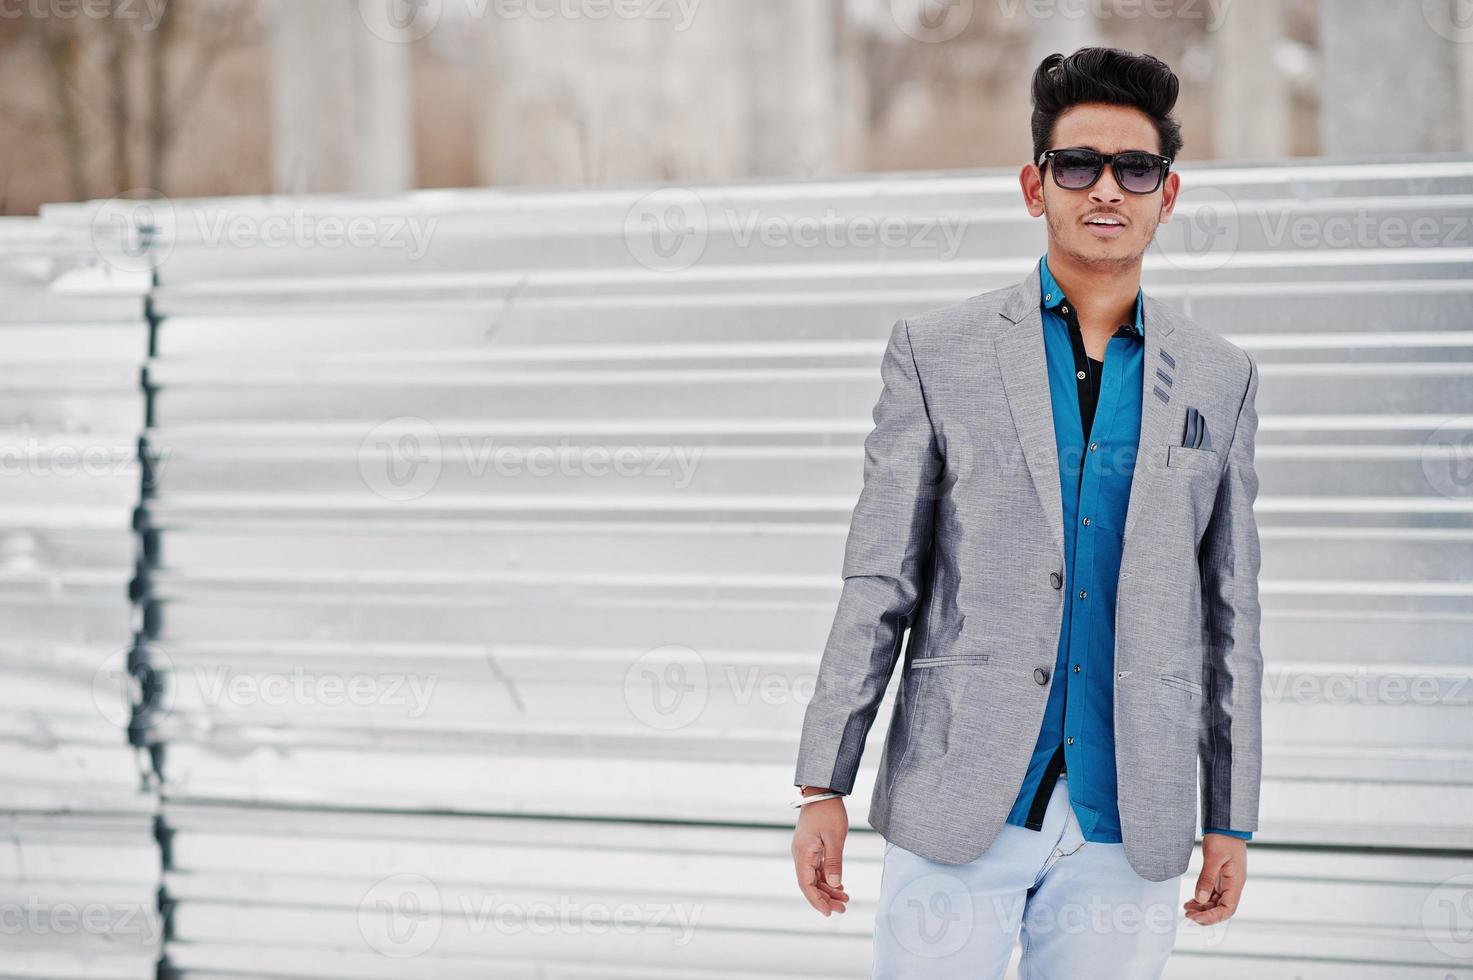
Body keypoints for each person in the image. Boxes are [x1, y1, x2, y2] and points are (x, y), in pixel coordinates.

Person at [789, 46, 1262, 978]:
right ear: (1032, 184)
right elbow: (879, 575)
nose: (1105, 190)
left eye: (1135, 170)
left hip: (1131, 819)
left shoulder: (1221, 378)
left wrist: (1230, 814)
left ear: (1167, 195)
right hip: (960, 797)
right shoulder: (939, 352)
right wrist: (821, 782)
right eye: (1076, 164)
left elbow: (1230, 615)